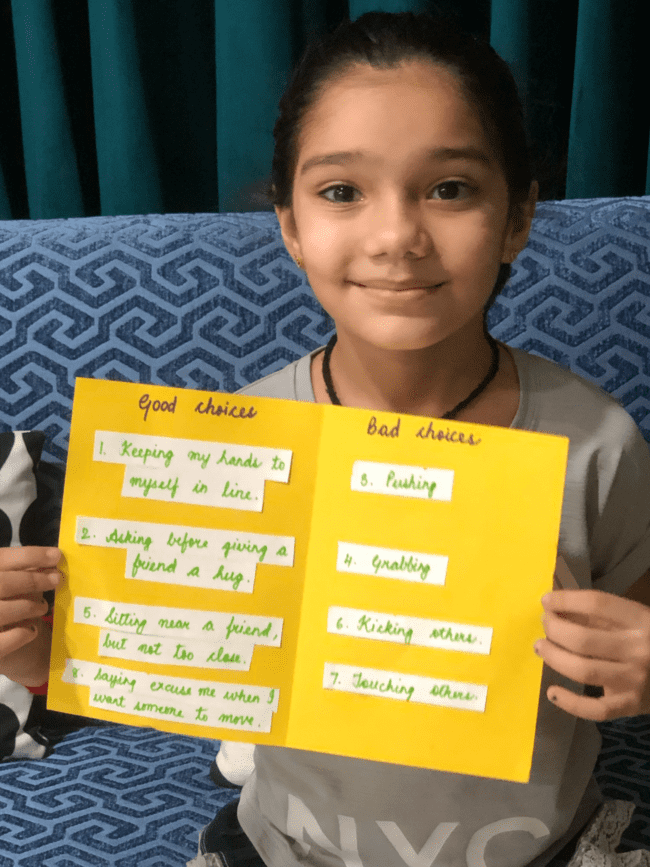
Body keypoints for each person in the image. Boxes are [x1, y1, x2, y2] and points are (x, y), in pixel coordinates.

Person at [2, 11, 650, 867]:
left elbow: (635, 631)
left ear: (518, 216)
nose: (396, 237)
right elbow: (171, 654)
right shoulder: (240, 443)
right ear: (290, 226)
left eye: (450, 187)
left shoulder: (597, 441)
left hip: (541, 850)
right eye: (342, 191)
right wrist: (38, 649)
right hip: (285, 847)